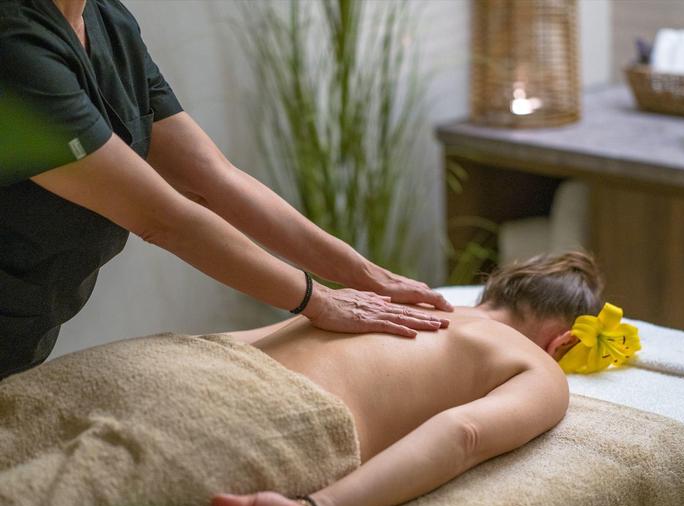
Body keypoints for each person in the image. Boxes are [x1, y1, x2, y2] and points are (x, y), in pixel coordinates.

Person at [0, 0, 451, 380]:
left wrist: (367, 276)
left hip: (29, 325)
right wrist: (319, 300)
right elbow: (165, 220)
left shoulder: (105, 19)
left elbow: (214, 179)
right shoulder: (14, 46)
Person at [198, 251, 604, 506]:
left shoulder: (384, 301)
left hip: (204, 364)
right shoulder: (539, 365)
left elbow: (249, 338)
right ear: (565, 342)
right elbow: (464, 435)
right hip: (280, 419)